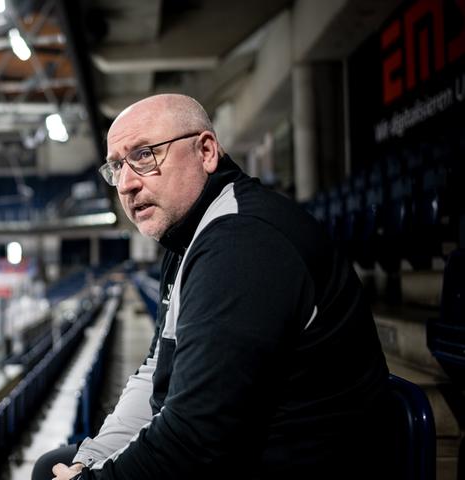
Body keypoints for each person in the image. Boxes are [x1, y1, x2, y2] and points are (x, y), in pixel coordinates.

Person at [34, 94, 392, 479]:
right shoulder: (189, 233)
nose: (126, 184)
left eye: (143, 156)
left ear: (206, 152)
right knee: (50, 466)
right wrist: (91, 458)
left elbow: (195, 440)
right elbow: (155, 371)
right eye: (117, 166)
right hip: (234, 452)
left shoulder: (243, 243)